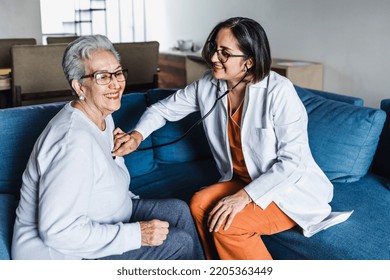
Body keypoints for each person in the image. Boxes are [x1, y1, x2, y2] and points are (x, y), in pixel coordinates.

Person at [112, 17, 352, 260]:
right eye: (214, 49)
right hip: (242, 180)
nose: (214, 58)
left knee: (229, 223)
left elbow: (293, 163)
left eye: (225, 53)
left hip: (285, 189)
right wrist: (136, 136)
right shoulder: (208, 84)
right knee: (198, 204)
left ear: (249, 61)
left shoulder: (280, 92)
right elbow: (162, 109)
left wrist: (241, 198)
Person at [11, 35, 204, 260]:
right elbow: (57, 232)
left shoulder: (103, 117)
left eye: (118, 72)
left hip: (103, 218)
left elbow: (103, 178)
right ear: (79, 86)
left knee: (178, 211)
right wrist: (137, 234)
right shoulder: (73, 144)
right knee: (179, 242)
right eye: (102, 77)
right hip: (62, 257)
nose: (116, 84)